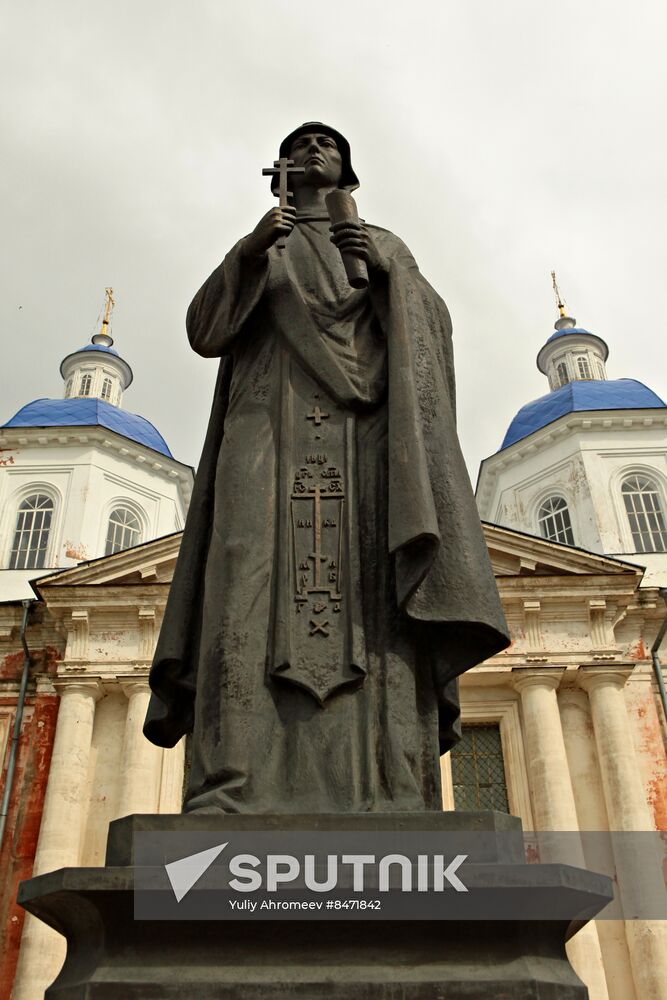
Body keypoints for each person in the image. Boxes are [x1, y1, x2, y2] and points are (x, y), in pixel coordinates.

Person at [143, 122, 509, 813]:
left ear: (346, 170)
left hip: (367, 438)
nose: (313, 150)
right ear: (277, 165)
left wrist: (392, 274)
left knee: (376, 579)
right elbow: (204, 332)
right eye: (300, 143)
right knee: (241, 572)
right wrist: (249, 252)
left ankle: (394, 783)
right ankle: (230, 782)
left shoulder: (379, 242)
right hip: (265, 425)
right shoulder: (264, 245)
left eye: (328, 144)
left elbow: (430, 333)